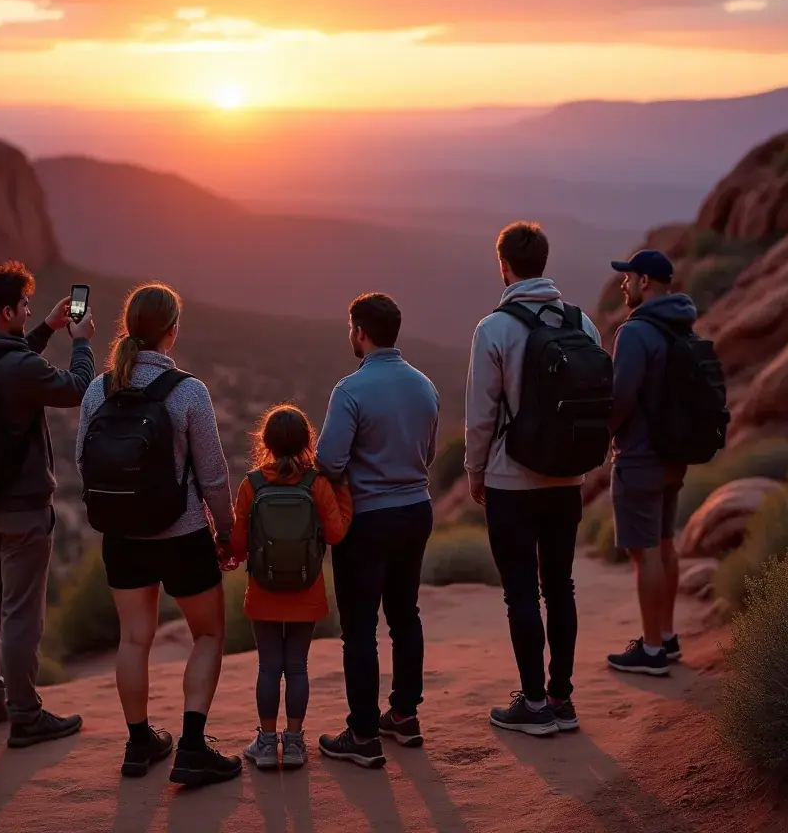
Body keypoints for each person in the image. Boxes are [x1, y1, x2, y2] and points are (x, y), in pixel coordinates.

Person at [75, 283, 241, 786]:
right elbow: (212, 474)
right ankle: (192, 748)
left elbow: (84, 460)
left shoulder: (97, 389)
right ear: (172, 331)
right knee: (209, 633)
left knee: (133, 638)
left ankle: (138, 742)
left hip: (123, 536)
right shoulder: (188, 391)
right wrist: (227, 531)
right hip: (182, 533)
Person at [0, 261, 95, 748]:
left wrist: (46, 327)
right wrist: (80, 341)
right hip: (23, 510)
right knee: (21, 611)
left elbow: (11, 363)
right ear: (7, 311)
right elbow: (76, 389)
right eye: (26, 306)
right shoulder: (17, 368)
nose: (30, 310)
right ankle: (26, 715)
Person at [464, 222, 604, 737]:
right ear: (543, 262)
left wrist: (475, 473)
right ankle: (563, 698)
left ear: (503, 265)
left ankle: (535, 703)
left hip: (510, 480)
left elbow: (481, 415)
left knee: (521, 592)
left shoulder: (493, 329)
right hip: (566, 478)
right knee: (560, 586)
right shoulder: (581, 322)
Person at [316, 293, 440, 768]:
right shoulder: (425, 385)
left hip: (368, 518)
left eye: (352, 328)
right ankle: (404, 717)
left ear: (361, 332)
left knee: (360, 629)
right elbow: (427, 454)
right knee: (405, 615)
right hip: (416, 510)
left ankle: (363, 734)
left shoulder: (350, 390)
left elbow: (328, 460)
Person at [230, 405, 353, 770]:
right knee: (297, 667)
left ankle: (267, 745)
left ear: (264, 442)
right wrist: (344, 494)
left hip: (264, 591)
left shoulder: (251, 484)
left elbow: (238, 546)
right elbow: (335, 533)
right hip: (306, 588)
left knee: (269, 667)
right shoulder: (316, 483)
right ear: (306, 442)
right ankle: (296, 744)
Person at [605, 250, 698, 677]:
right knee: (664, 545)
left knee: (645, 555)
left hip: (640, 456)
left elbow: (622, 396)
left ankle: (653, 649)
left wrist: (603, 433)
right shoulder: (682, 324)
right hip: (674, 455)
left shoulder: (636, 331)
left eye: (627, 278)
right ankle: (667, 635)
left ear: (645, 281)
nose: (623, 284)